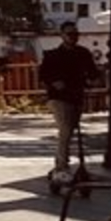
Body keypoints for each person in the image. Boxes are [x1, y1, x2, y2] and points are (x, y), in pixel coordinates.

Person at [37, 22, 100, 191]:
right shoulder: (53, 55)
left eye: (75, 34)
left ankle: (61, 164)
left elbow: (93, 73)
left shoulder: (83, 53)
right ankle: (62, 167)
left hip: (76, 96)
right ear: (62, 35)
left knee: (72, 130)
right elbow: (43, 75)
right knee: (65, 129)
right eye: (69, 34)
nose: (73, 37)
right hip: (58, 98)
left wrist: (92, 80)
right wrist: (54, 83)